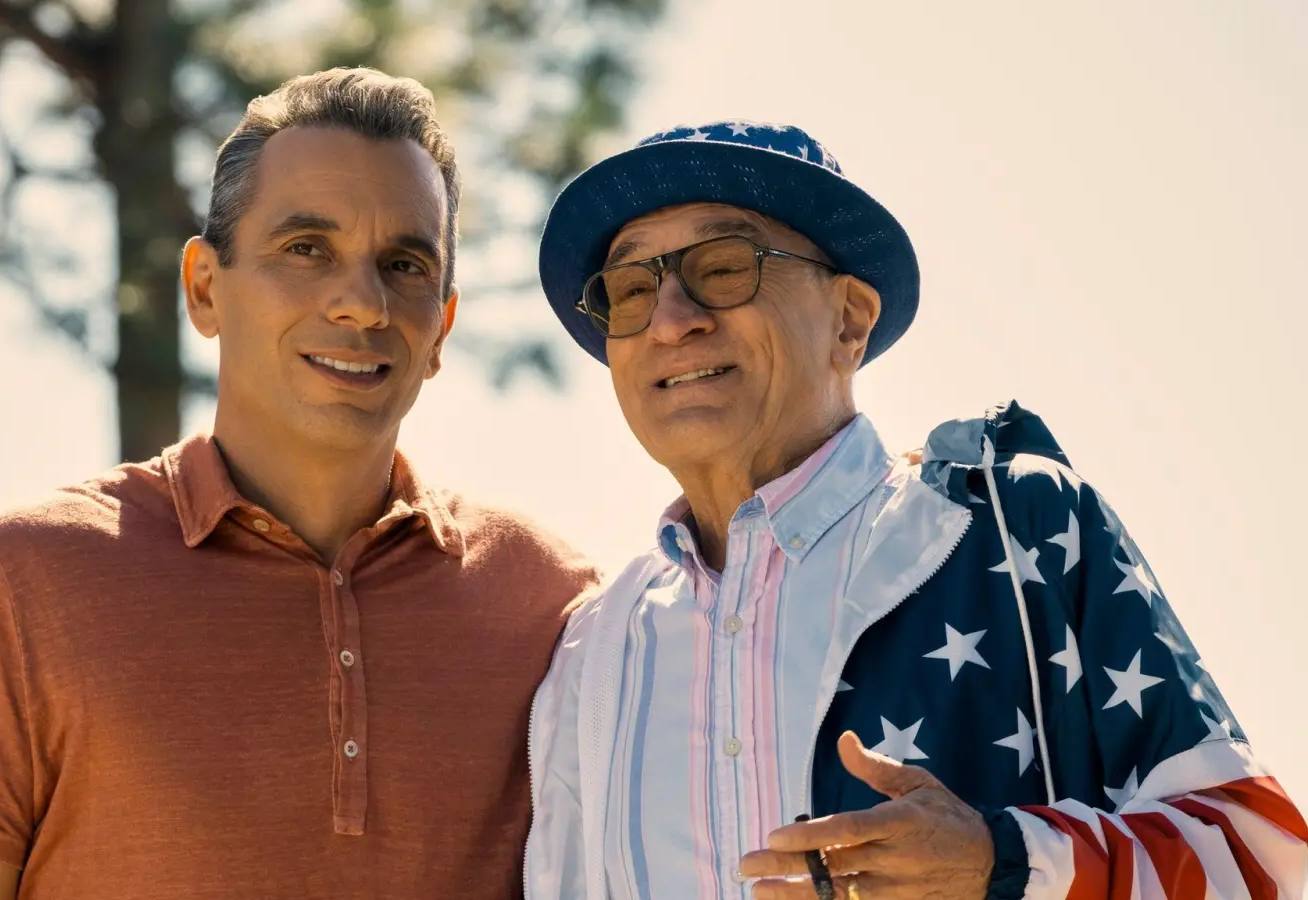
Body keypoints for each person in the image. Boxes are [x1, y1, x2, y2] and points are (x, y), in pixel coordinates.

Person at [524, 121, 1306, 899]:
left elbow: (1263, 860)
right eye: (631, 289)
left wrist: (1002, 862)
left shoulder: (1015, 521)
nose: (671, 319)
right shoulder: (590, 652)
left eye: (725, 268)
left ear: (850, 321)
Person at [0, 68, 597, 900]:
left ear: (442, 329)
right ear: (205, 288)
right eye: (306, 249)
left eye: (403, 263)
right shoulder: (27, 579)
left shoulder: (551, 602)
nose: (362, 304)